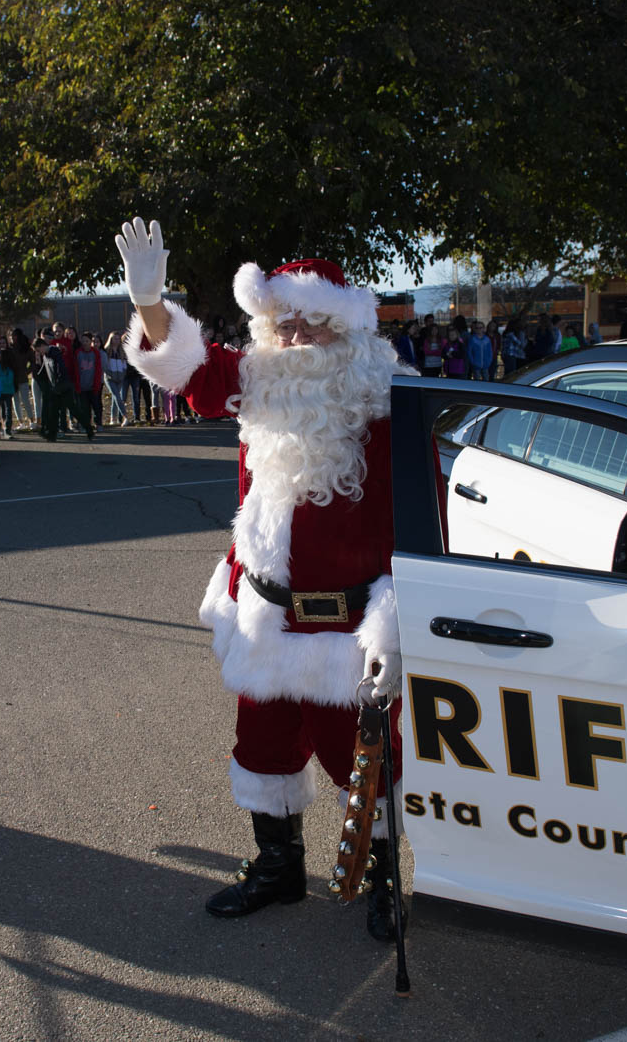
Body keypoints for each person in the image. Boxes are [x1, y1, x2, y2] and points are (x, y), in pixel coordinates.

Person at [115, 218, 407, 941]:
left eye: (315, 326)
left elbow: (420, 535)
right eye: (286, 325)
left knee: (366, 762)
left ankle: (382, 877)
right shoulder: (261, 392)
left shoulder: (388, 415)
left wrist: (395, 627)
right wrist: (151, 302)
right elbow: (190, 370)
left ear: (352, 337)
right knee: (264, 751)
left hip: (347, 628)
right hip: (266, 617)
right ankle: (278, 868)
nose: (299, 340)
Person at [31, 337, 77, 441]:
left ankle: (59, 430)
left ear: (42, 346)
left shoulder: (54, 352)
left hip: (60, 385)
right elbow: (43, 370)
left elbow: (60, 368)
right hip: (53, 386)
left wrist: (58, 384)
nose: (38, 353)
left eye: (38, 350)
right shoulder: (46, 355)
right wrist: (37, 368)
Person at [73, 330, 105, 430]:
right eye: (83, 341)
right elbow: (75, 369)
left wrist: (97, 384)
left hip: (93, 385)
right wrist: (77, 385)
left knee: (96, 406)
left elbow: (98, 369)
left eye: (87, 341)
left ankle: (98, 423)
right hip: (82, 386)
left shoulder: (95, 353)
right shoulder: (78, 353)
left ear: (90, 342)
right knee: (84, 407)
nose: (84, 343)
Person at [0, 336, 18, 439]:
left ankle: (7, 430)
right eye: (0, 343)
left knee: (8, 411)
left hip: (8, 388)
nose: (2, 345)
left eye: (4, 343)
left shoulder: (11, 355)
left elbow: (14, 370)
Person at [102, 332, 131, 425]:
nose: (117, 341)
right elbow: (105, 366)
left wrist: (122, 376)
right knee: (117, 397)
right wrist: (111, 375)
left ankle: (113, 419)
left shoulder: (121, 351)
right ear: (110, 339)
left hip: (120, 378)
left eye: (118, 339)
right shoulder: (106, 351)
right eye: (115, 339)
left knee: (115, 398)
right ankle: (125, 416)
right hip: (110, 378)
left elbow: (124, 366)